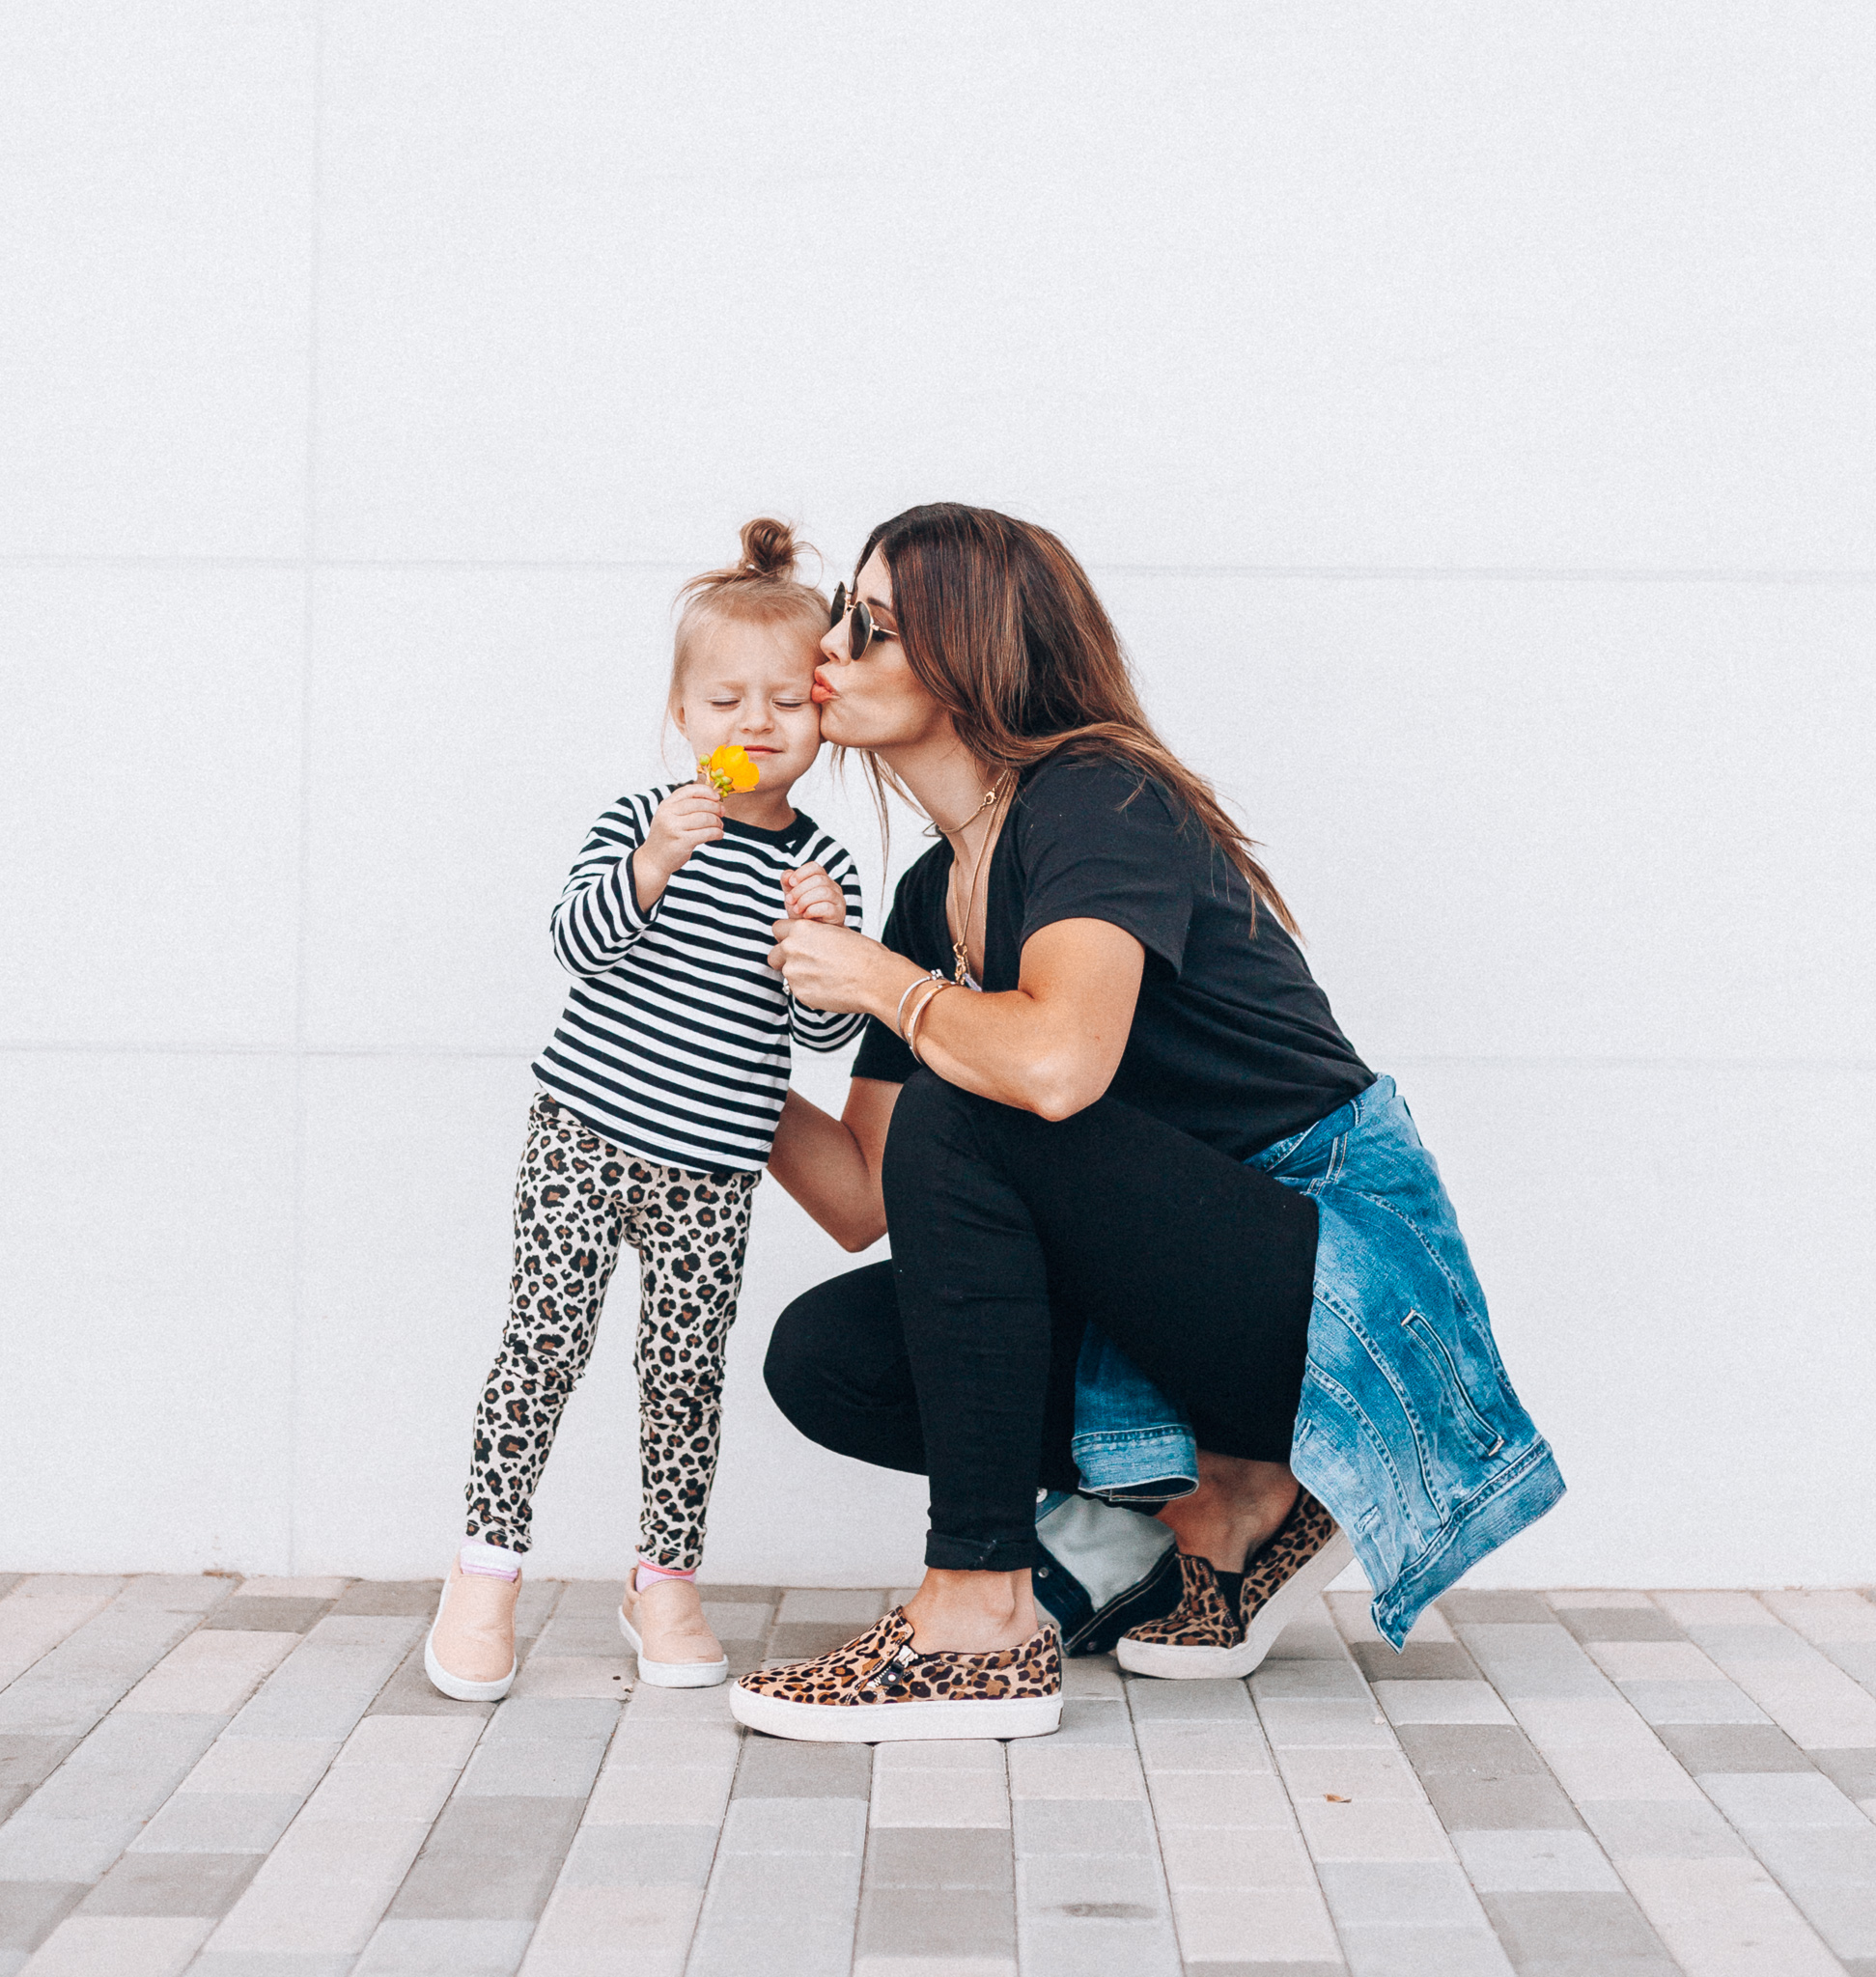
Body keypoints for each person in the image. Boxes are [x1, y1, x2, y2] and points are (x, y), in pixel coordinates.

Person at [730, 502, 1563, 1743]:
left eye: (873, 623)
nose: (827, 645)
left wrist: (882, 987)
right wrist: (698, 1047)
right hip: (1167, 1296)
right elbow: (861, 1191)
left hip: (1339, 1281)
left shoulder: (1095, 800)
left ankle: (978, 1615)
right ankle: (1232, 1490)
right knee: (829, 1352)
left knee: (979, 1092)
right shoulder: (921, 898)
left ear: (973, 657)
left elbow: (1056, 1067)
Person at [424, 519, 864, 1702]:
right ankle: (486, 1570)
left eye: (786, 700)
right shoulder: (643, 819)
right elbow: (576, 943)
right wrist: (653, 862)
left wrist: (820, 939)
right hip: (583, 1134)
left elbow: (823, 1038)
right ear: (682, 715)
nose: (755, 724)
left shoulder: (822, 865)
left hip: (711, 1170)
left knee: (683, 1371)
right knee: (544, 1345)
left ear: (823, 716)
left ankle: (661, 1580)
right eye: (726, 699)